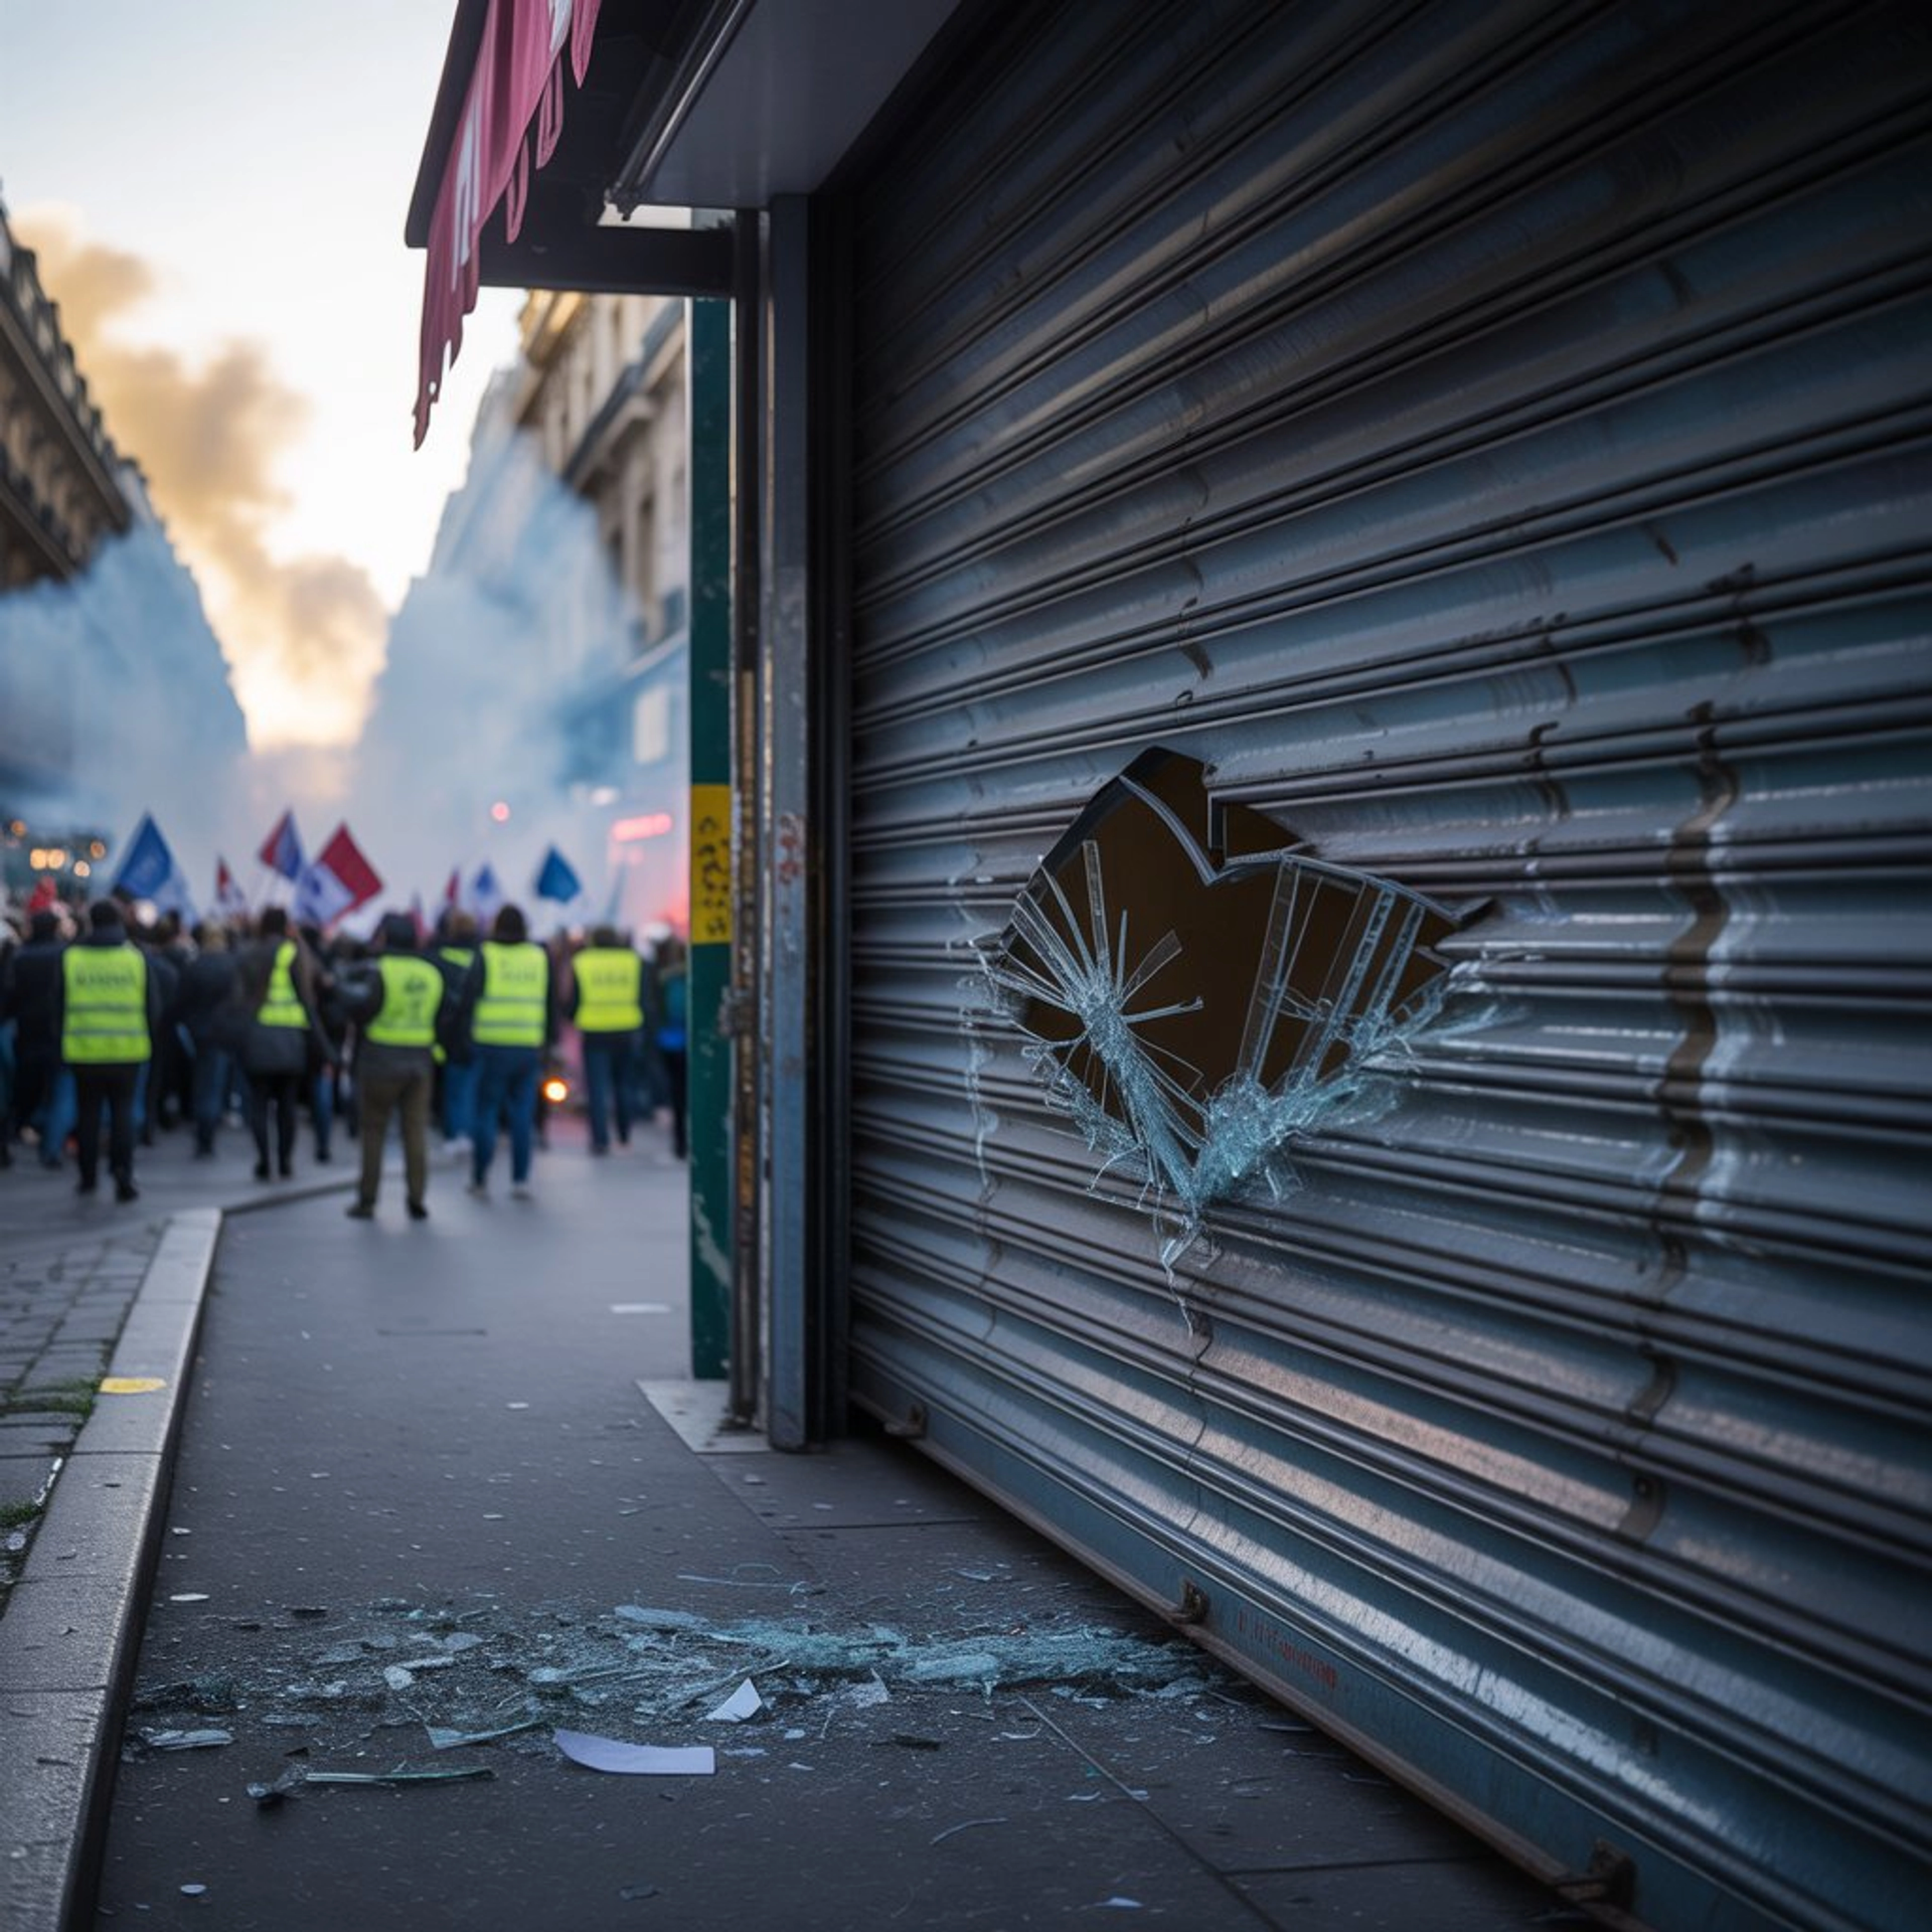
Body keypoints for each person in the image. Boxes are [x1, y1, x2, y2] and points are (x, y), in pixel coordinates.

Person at [339, 913, 446, 1222]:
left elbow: (363, 1009)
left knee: (374, 1131)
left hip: (380, 1061)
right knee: (415, 1132)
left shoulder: (379, 971)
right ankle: (417, 1198)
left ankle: (368, 1200)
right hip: (420, 1062)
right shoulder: (431, 973)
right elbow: (440, 1015)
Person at [55, 899, 160, 1201]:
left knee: (88, 1115)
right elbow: (152, 1006)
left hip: (83, 1050)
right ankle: (123, 1173)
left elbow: (58, 1006)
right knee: (122, 1115)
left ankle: (87, 1176)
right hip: (127, 1050)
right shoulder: (135, 958)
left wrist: (60, 1039)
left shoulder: (72, 958)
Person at [233, 906, 327, 1180]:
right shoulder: (294, 953)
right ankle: (285, 1161)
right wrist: (323, 1045)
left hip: (258, 1038)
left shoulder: (248, 954)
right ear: (286, 926)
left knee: (259, 1105)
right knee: (287, 1106)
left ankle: (264, 1161)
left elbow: (239, 1001)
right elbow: (307, 1001)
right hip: (290, 1040)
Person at [468, 904, 552, 1201]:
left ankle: (480, 1177)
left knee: (487, 1111)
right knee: (522, 1115)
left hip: (490, 1042)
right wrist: (549, 1043)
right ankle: (521, 1179)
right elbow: (550, 1001)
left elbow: (470, 996)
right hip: (528, 1044)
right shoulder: (539, 956)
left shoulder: (486, 953)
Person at [4, 907, 74, 1168]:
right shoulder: (65, 955)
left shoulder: (22, 957)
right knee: (59, 1090)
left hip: (28, 1031)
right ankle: (51, 1141)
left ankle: (19, 1129)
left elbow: (11, 995)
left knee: (25, 1086)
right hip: (58, 1032)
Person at [569, 925, 647, 1155]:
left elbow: (575, 998)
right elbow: (644, 995)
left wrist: (572, 1017)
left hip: (594, 1031)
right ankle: (624, 1134)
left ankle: (600, 1140)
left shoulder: (583, 961)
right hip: (627, 1028)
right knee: (624, 1085)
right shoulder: (633, 960)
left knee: (597, 1088)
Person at [169, 922, 241, 1157]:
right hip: (225, 1033)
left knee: (205, 1083)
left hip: (200, 1033)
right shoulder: (232, 965)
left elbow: (182, 1001)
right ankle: (208, 1129)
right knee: (215, 1083)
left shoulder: (196, 966)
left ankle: (204, 1130)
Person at [435, 910, 481, 1154]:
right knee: (471, 1087)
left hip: (451, 1033)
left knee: (452, 1087)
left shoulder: (440, 958)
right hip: (478, 1030)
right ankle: (468, 1133)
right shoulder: (482, 957)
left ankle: (453, 1134)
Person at [650, 935, 690, 1160]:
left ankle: (680, 1143)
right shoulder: (694, 979)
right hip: (690, 1042)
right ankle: (690, 1139)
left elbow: (658, 1010)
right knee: (691, 1093)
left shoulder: (665, 978)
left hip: (669, 1042)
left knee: (677, 1094)